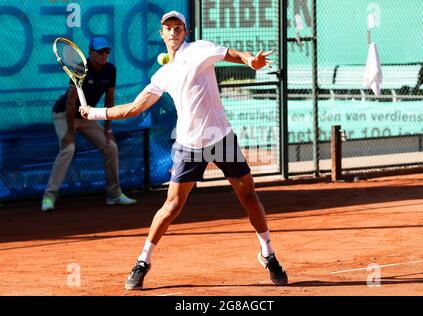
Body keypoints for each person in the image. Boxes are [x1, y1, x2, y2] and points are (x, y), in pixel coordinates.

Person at [80, 11, 288, 289]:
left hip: (220, 137)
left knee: (248, 195)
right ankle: (143, 261)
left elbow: (232, 54)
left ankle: (268, 254)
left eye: (178, 27)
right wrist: (94, 113)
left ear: (185, 32)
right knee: (172, 206)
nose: (174, 32)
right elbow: (133, 108)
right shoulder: (163, 74)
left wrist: (251, 61)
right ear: (162, 34)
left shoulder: (200, 49)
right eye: (168, 28)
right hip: (189, 145)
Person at [41, 37, 137, 211]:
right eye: (99, 51)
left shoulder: (110, 70)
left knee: (111, 147)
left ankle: (114, 195)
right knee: (68, 149)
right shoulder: (80, 68)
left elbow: (109, 100)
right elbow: (70, 102)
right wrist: (70, 133)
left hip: (86, 116)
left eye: (106, 51)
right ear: (91, 52)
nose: (104, 55)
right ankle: (49, 196)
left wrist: (108, 128)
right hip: (64, 114)